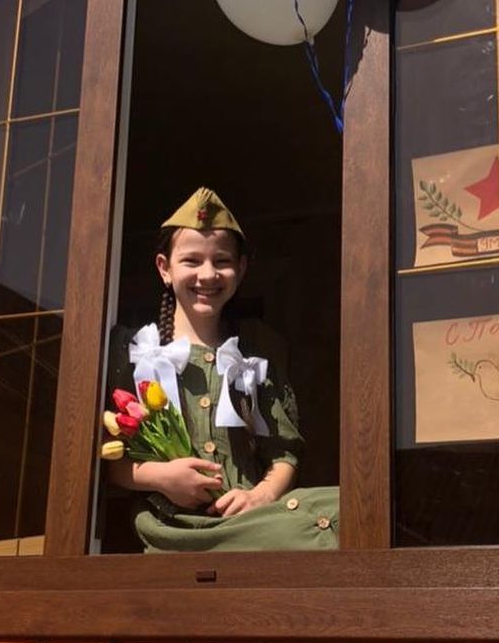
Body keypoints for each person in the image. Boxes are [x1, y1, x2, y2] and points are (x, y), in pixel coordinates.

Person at [105, 186, 339, 552]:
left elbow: (284, 452)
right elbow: (109, 459)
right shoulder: (135, 351)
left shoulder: (257, 350)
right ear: (164, 268)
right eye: (192, 261)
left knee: (346, 510)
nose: (208, 274)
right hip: (175, 526)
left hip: (253, 521)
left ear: (241, 269)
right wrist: (162, 477)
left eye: (222, 261)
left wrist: (261, 496)